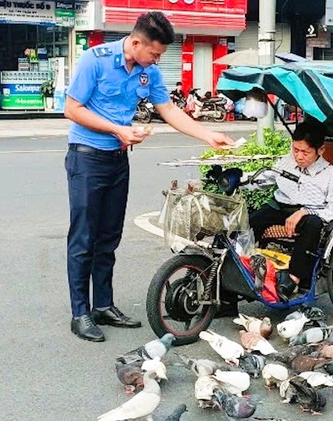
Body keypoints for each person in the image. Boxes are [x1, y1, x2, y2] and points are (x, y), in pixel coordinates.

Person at [63, 11, 233, 342]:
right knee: (84, 238)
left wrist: (207, 135)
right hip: (87, 158)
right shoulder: (94, 61)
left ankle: (104, 306)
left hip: (117, 159)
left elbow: (168, 110)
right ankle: (80, 313)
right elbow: (72, 109)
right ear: (137, 42)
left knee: (109, 237)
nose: (156, 61)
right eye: (154, 54)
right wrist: (118, 129)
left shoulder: (147, 72)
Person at [247, 122, 333, 302]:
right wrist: (239, 179)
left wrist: (305, 211)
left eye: (305, 152)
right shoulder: (286, 162)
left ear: (320, 150)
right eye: (296, 150)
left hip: (311, 215)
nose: (299, 156)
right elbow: (263, 179)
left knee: (313, 224)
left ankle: (292, 280)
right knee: (247, 223)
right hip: (280, 207)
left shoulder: (331, 175)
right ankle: (244, 274)